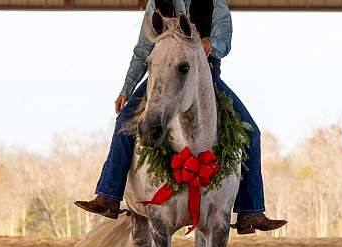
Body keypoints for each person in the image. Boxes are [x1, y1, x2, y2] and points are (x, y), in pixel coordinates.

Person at [75, 0, 287, 234]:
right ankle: (109, 196)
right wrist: (127, 89)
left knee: (251, 132)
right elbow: (142, 49)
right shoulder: (156, 3)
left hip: (204, 80)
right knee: (124, 121)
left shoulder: (215, 3)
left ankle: (251, 210)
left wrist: (211, 43)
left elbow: (224, 41)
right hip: (161, 77)